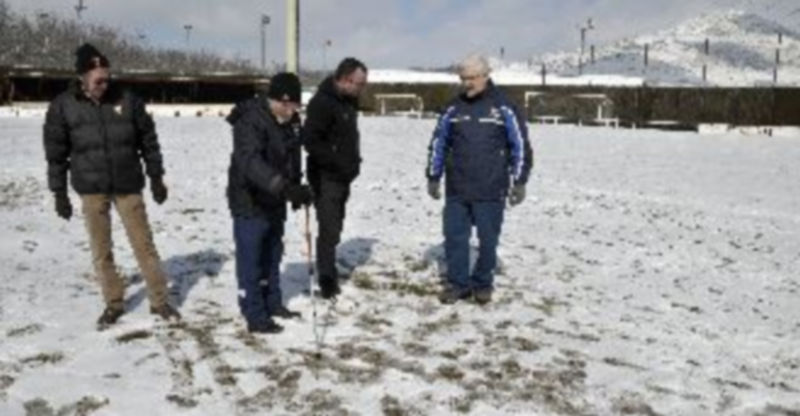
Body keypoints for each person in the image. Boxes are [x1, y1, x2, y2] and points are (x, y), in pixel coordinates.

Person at [43, 43, 180, 328]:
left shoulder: (128, 99)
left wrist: (156, 177)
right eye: (98, 80)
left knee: (144, 244)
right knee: (101, 249)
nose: (104, 85)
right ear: (82, 77)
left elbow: (149, 142)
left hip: (128, 184)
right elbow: (56, 154)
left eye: (107, 78)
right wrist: (59, 193)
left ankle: (159, 300)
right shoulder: (63, 106)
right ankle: (113, 303)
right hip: (91, 188)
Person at [426, 54, 534, 305]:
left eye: (472, 78)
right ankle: (458, 284)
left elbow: (519, 146)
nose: (467, 83)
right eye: (463, 78)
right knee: (454, 238)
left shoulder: (504, 106)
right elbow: (439, 143)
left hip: (491, 188)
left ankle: (483, 283)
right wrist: (433, 175)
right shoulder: (453, 108)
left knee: (488, 241)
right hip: (458, 188)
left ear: (486, 75)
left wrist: (520, 181)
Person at [226, 72, 313, 334]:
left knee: (273, 254)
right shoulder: (250, 120)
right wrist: (284, 188)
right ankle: (254, 314)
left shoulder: (290, 121)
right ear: (274, 99)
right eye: (285, 104)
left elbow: (291, 156)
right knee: (251, 259)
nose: (290, 110)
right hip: (249, 199)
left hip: (275, 198)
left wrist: (296, 187)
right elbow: (250, 162)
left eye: (294, 104)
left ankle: (272, 302)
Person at [304, 57, 368, 299]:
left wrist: (353, 164)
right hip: (326, 177)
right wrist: (336, 162)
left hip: (343, 176)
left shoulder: (349, 101)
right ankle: (327, 278)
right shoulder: (322, 103)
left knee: (336, 225)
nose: (361, 89)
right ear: (343, 79)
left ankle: (328, 263)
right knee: (329, 227)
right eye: (359, 84)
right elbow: (310, 141)